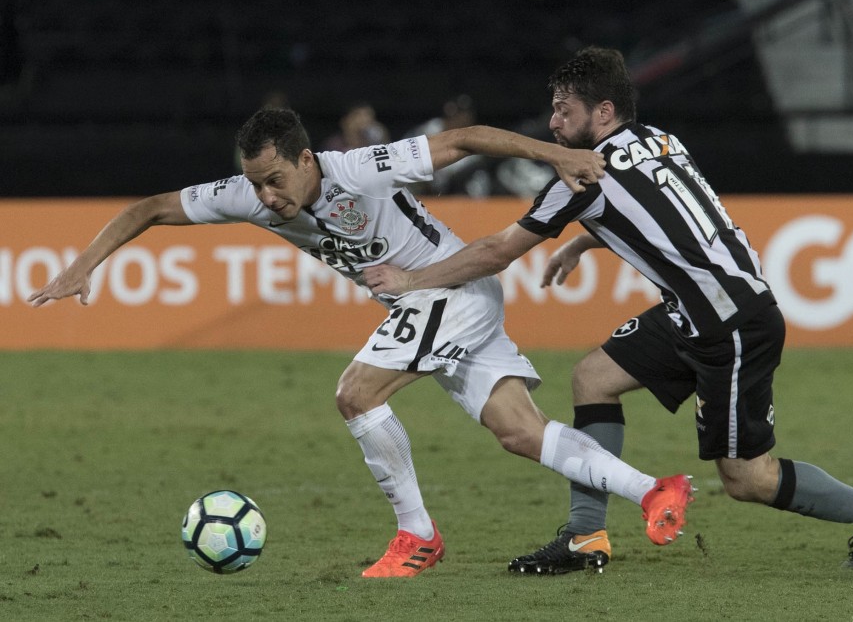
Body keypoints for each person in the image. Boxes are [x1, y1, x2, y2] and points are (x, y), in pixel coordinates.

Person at [29, 106, 695, 578]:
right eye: (254, 181)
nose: (265, 196)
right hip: (438, 302)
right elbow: (148, 208)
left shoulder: (362, 168)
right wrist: (86, 263)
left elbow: (463, 139)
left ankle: (417, 535)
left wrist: (556, 155)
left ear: (306, 160)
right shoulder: (247, 196)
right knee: (519, 431)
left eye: (275, 179)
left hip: (448, 288)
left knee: (356, 393)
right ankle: (654, 491)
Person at [363, 46, 853, 573]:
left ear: (603, 112)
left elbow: (498, 251)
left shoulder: (584, 174)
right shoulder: (659, 140)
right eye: (554, 108)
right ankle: (585, 536)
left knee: (747, 478)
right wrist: (585, 241)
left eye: (564, 110)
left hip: (732, 327)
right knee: (592, 378)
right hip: (698, 311)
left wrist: (412, 278)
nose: (553, 123)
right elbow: (671, 218)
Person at [320, 102, 389, 152]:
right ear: (345, 121)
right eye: (358, 116)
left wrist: (383, 139)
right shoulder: (333, 145)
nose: (364, 121)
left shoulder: (374, 143)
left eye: (368, 117)